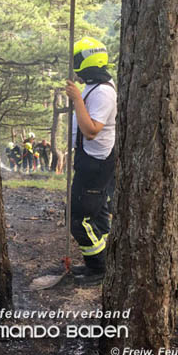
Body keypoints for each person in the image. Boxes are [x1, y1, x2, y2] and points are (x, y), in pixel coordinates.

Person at [64, 36, 117, 285]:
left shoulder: (104, 92)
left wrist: (76, 99)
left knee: (77, 218)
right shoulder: (95, 86)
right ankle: (103, 259)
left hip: (96, 163)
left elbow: (92, 130)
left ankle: (98, 267)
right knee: (97, 215)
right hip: (91, 160)